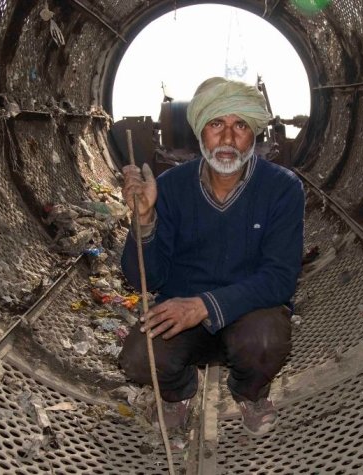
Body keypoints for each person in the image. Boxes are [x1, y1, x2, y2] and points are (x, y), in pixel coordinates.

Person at [119, 77, 304, 437]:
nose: (228, 139)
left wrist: (203, 306)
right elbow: (146, 278)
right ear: (201, 132)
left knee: (265, 342)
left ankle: (250, 392)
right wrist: (143, 218)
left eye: (241, 126)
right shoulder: (170, 187)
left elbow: (280, 279)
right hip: (183, 313)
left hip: (250, 313)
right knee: (141, 357)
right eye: (216, 124)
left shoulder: (282, 188)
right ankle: (178, 394)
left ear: (255, 135)